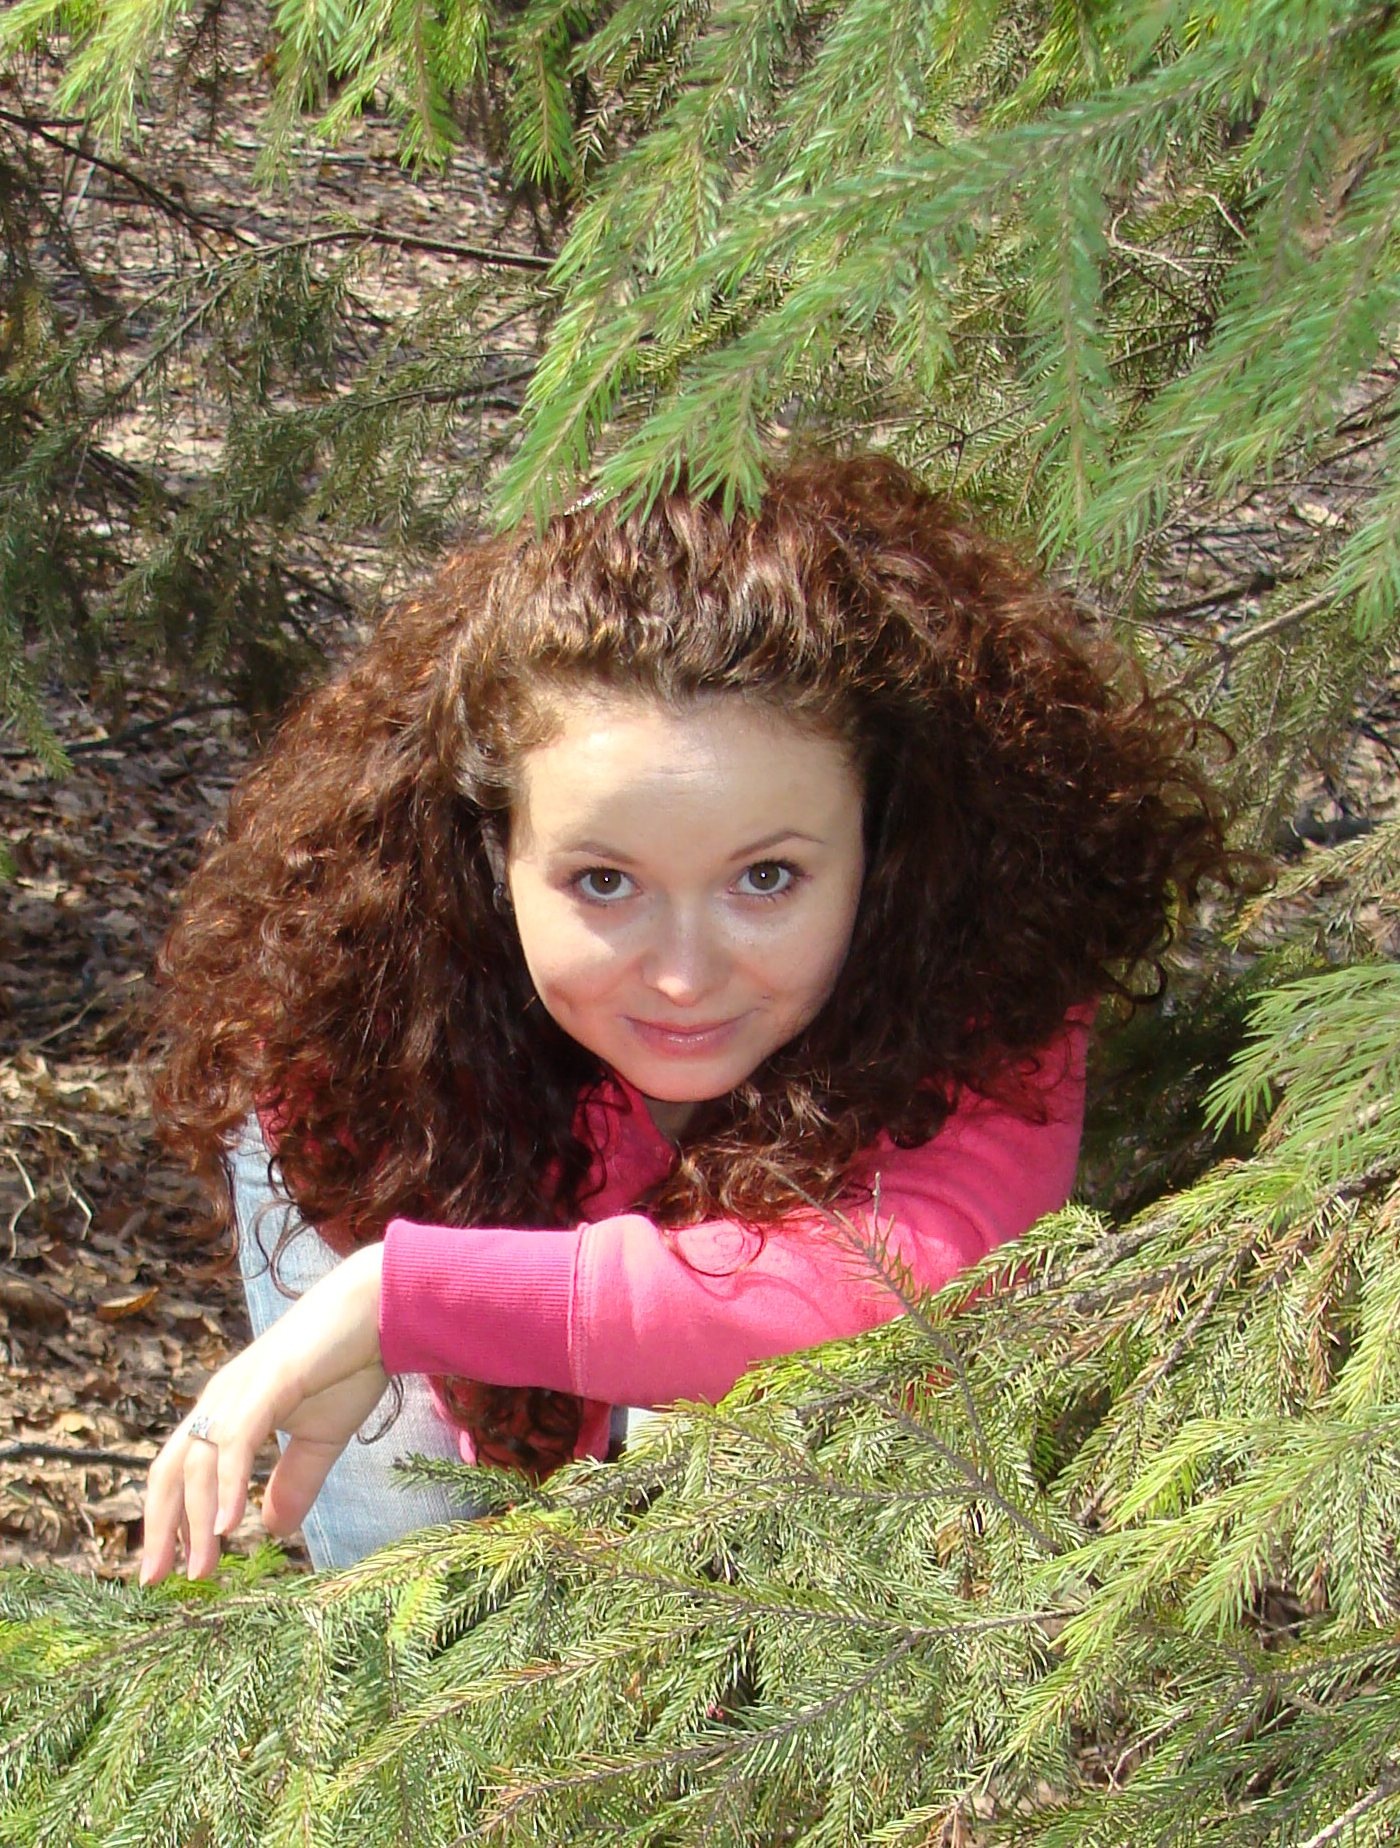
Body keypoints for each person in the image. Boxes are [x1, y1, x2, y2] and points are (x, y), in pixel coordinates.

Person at [138, 453, 1233, 1585]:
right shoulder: (359, 1015)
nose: (681, 977)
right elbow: (482, 1392)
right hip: (437, 1258)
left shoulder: (978, 982)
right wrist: (409, 1324)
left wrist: (405, 1295)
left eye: (765, 877)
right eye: (604, 882)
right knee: (421, 1569)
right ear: (490, 847)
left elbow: (893, 1290)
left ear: (886, 839)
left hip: (489, 1301)